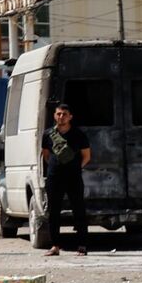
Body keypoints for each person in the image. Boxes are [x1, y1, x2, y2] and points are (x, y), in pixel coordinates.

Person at [41, 102, 92, 255]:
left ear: (70, 117)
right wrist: (55, 168)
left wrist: (76, 168)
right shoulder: (48, 134)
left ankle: (82, 245)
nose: (61, 117)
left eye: (64, 114)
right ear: (54, 115)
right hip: (54, 178)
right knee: (53, 211)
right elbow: (46, 155)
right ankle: (55, 246)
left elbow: (86, 156)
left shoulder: (78, 135)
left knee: (79, 210)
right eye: (58, 114)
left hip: (74, 178)